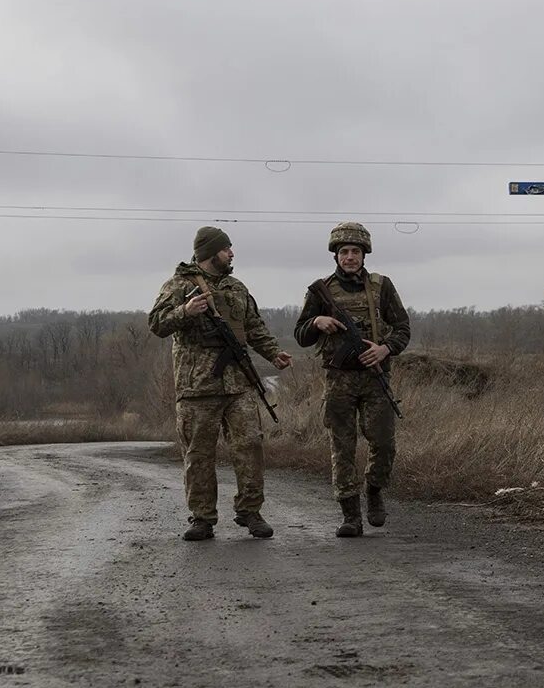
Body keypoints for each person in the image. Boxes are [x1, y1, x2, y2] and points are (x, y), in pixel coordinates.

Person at [149, 226, 292, 541]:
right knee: (199, 454)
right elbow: (157, 323)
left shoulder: (236, 287)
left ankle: (250, 512)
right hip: (198, 387)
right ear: (211, 253)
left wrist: (273, 353)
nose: (232, 253)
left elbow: (253, 325)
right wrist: (185, 311)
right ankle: (202, 518)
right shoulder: (179, 285)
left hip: (238, 384)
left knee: (250, 446)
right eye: (227, 248)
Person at [294, 221, 411, 538]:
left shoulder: (381, 287)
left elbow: (403, 329)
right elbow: (301, 334)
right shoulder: (321, 290)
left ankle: (374, 490)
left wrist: (385, 349)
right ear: (336, 255)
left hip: (375, 379)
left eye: (355, 251)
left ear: (364, 254)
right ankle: (350, 515)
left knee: (384, 443)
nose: (349, 257)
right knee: (342, 448)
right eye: (344, 251)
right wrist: (317, 321)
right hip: (339, 381)